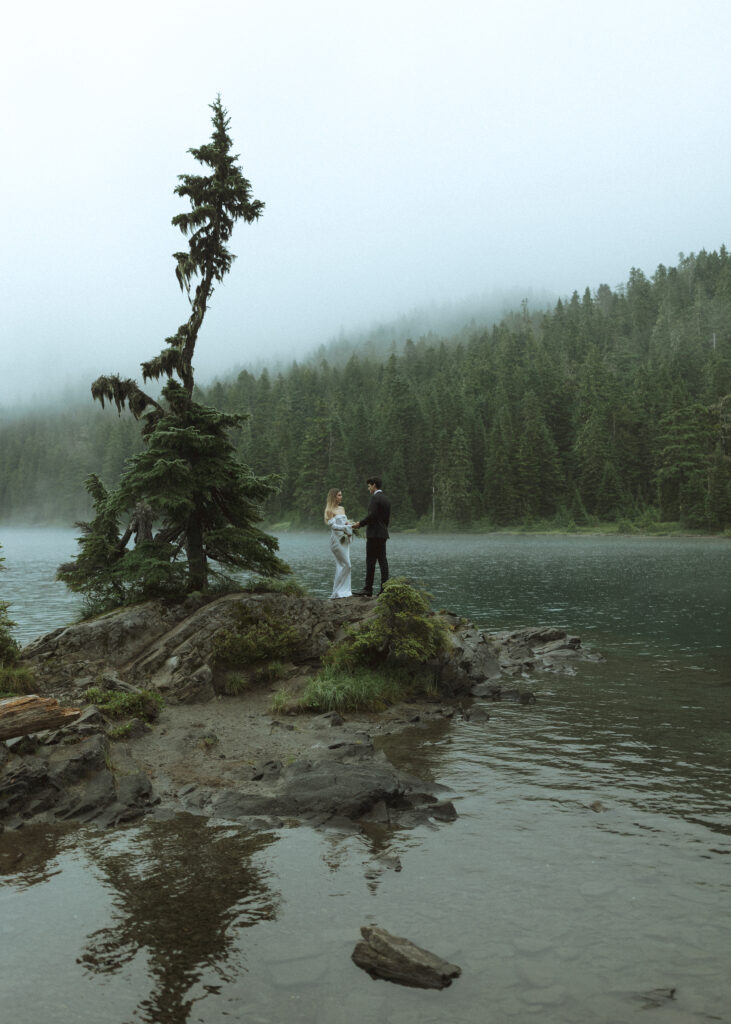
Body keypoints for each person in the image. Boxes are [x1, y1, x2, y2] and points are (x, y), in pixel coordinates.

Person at [352, 476, 390, 597]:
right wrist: (383, 530)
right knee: (383, 561)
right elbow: (386, 520)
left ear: (374, 485)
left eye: (369, 486)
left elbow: (372, 516)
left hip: (374, 535)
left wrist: (359, 524)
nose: (368, 489)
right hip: (383, 534)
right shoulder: (386, 499)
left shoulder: (375, 498)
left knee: (370, 562)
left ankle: (368, 589)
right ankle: (385, 589)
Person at [324, 487, 353, 598]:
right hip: (336, 541)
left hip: (345, 540)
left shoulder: (342, 508)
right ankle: (336, 590)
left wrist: (349, 524)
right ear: (334, 497)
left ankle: (344, 591)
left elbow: (344, 522)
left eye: (341, 495)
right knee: (348, 565)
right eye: (339, 495)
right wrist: (346, 528)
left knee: (341, 566)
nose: (341, 497)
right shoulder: (329, 510)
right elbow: (333, 526)